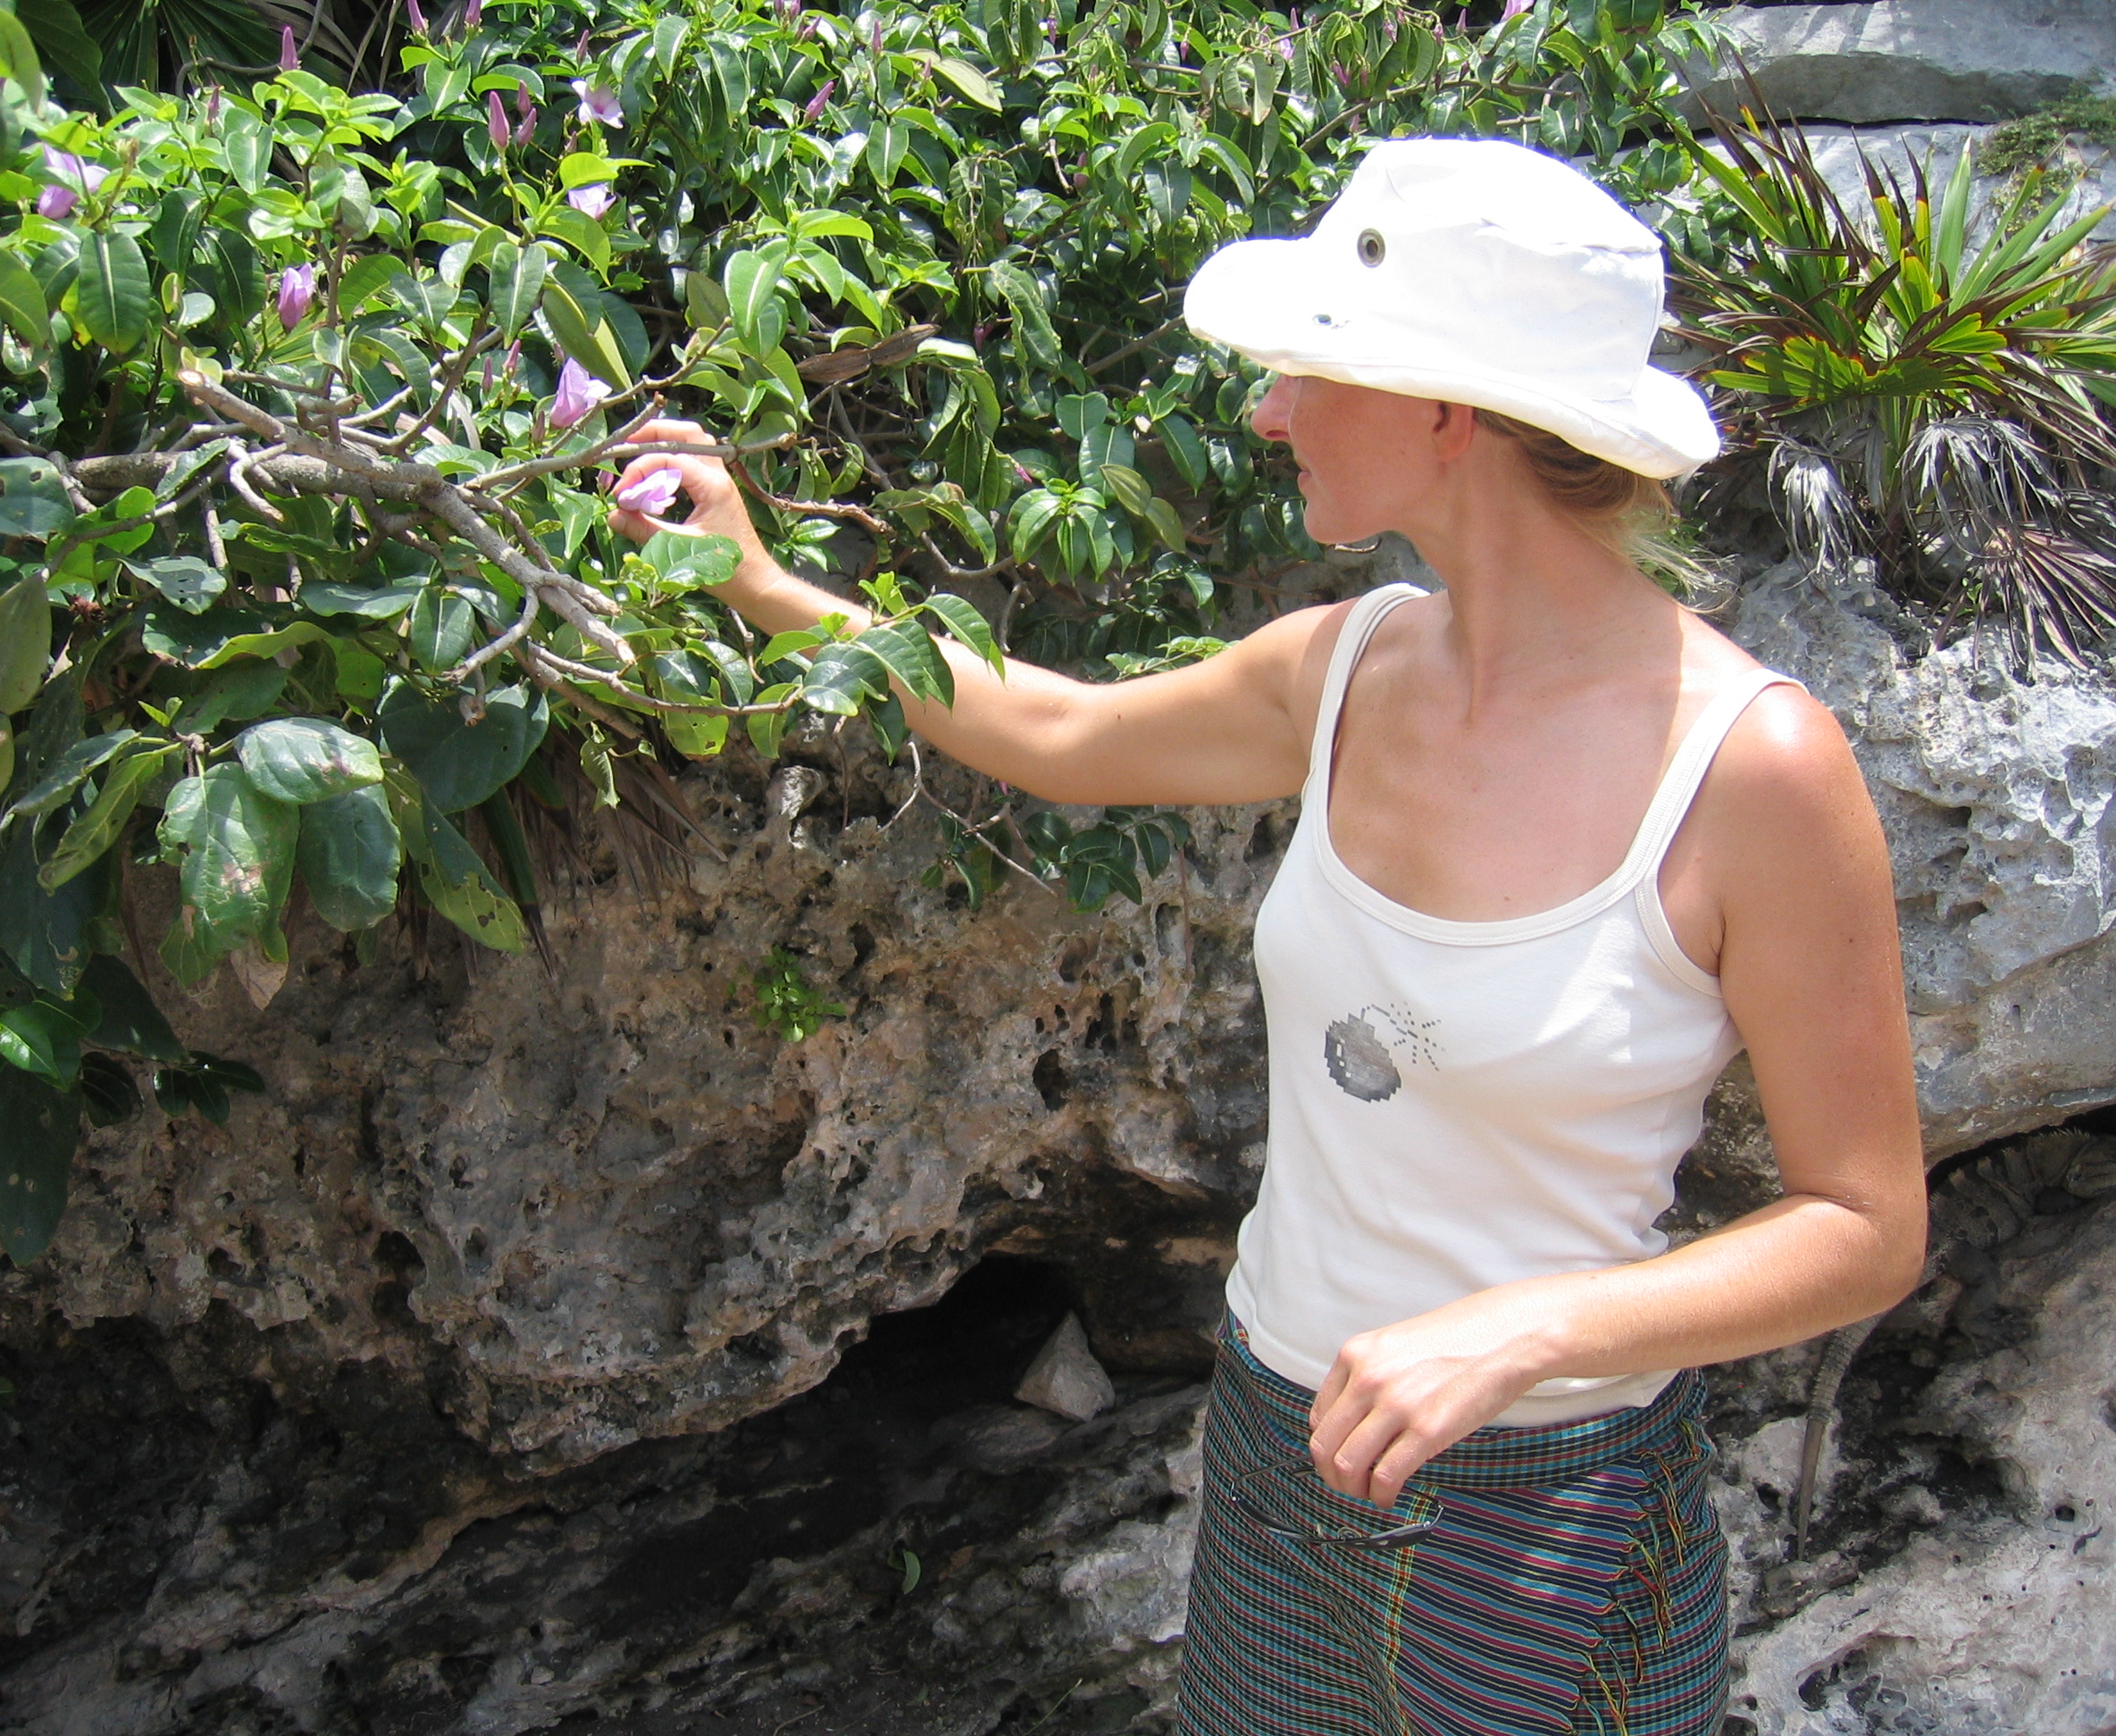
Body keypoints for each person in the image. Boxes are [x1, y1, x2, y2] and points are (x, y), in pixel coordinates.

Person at [607, 138, 1925, 1736]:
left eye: (1311, 368)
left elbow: (1866, 1223)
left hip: (1548, 1507)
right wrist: (760, 582)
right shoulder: (1346, 667)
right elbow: (1060, 734)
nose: (1268, 410)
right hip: (1279, 1435)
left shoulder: (1750, 768)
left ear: (1447, 411)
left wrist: (1533, 1329)